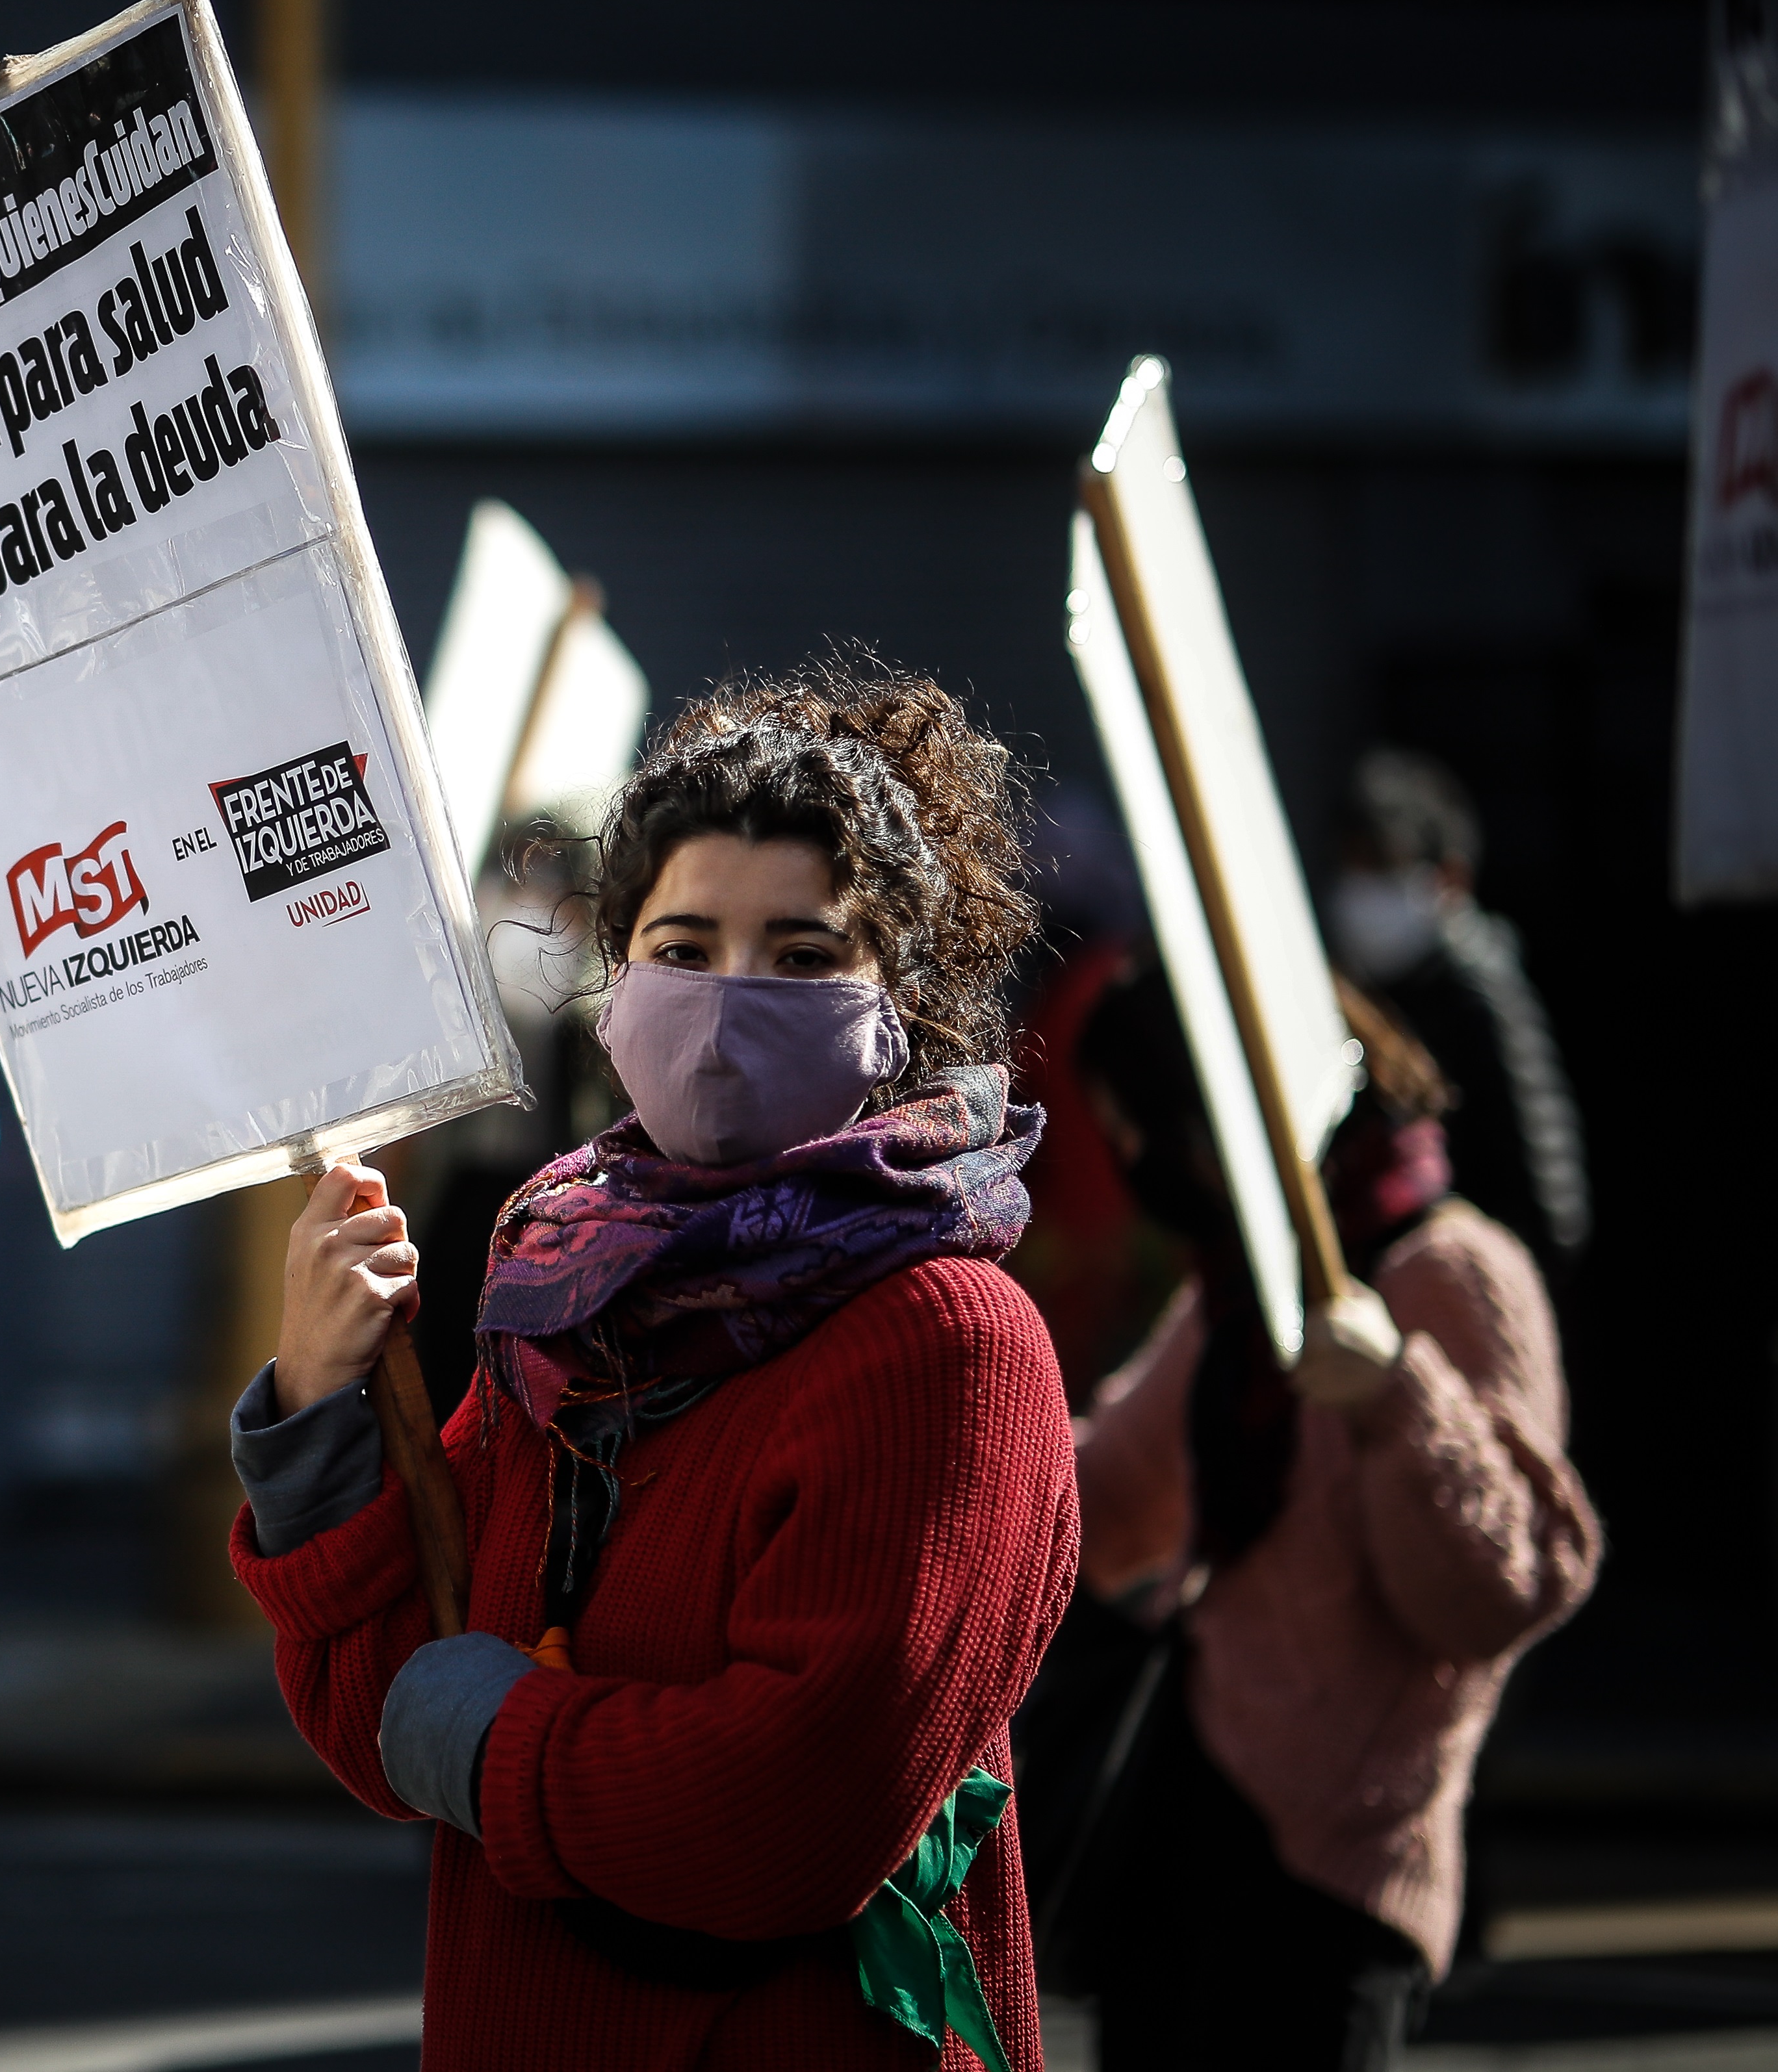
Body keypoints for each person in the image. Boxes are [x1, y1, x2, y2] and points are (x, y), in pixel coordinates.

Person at [225, 662, 1083, 2070]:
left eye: (801, 959)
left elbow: (787, 1820)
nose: (727, 1000)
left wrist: (501, 1744)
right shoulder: (558, 1291)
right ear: (613, 980)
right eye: (680, 948)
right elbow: (384, 1715)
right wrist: (317, 1402)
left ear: (896, 1009)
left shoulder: (948, 1345)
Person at [1065, 964, 1600, 2069]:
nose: (1134, 1168)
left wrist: (1397, 1395)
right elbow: (1108, 1491)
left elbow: (1496, 1590)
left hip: (1340, 1873)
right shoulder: (1242, 1287)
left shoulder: (1454, 1271)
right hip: (1189, 1832)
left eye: (1146, 1132)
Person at [1326, 748, 1589, 1278]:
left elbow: (1544, 1186)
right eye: (1350, 865)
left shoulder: (1480, 994)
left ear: (1449, 877)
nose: (1359, 890)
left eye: (1381, 867)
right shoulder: (1365, 990)